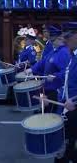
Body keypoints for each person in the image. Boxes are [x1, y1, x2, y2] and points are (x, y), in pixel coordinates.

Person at [25, 32, 70, 113]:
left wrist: (55, 76)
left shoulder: (64, 52)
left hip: (56, 90)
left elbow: (67, 71)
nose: (52, 42)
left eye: (53, 40)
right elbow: (42, 62)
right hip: (48, 88)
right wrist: (32, 69)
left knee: (52, 115)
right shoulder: (53, 51)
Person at [54, 22, 77, 163]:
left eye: (68, 38)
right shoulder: (73, 56)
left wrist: (74, 101)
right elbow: (68, 77)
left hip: (73, 107)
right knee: (66, 147)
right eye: (65, 38)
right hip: (69, 107)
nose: (65, 41)